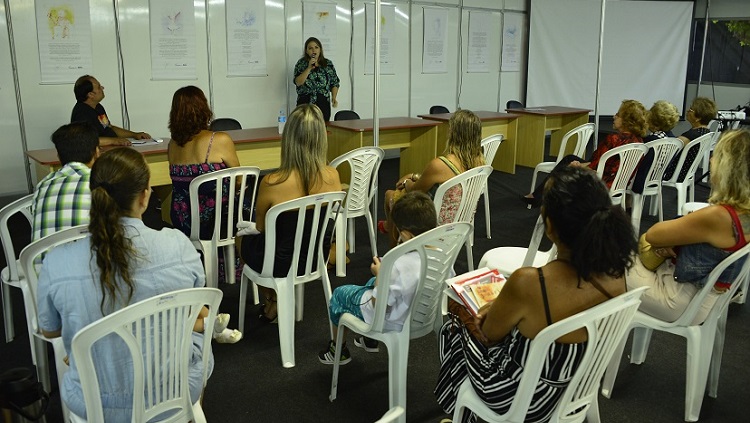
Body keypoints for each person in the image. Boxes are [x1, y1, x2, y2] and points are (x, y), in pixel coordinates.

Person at [35, 148, 233, 422]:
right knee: (197, 326)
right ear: (144, 196)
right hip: (175, 390)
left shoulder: (57, 262)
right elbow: (197, 309)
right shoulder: (178, 246)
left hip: (95, 402)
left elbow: (50, 329)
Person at [435, 165, 637, 423]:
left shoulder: (530, 283)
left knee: (454, 323)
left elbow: (489, 335)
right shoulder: (617, 273)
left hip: (519, 397)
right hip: (574, 387)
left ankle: (466, 417)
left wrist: (485, 311)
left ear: (550, 227)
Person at [627, 129, 750, 324]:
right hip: (701, 300)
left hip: (677, 300)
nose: (710, 161)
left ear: (729, 167)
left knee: (600, 261)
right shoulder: (742, 213)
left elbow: (653, 235)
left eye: (716, 156)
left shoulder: (719, 216)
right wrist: (680, 248)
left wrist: (675, 244)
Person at [236, 104, 341, 323]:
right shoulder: (333, 176)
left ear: (288, 139)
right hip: (313, 257)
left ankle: (272, 297)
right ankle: (274, 299)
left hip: (278, 262)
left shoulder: (273, 182)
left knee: (240, 238)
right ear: (321, 137)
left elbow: (261, 227)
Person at [318, 191, 438, 365]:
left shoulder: (397, 264)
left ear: (404, 234)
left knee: (339, 295)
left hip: (391, 319)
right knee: (370, 283)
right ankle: (369, 341)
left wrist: (381, 274)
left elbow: (378, 302)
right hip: (421, 313)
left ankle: (338, 350)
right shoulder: (442, 253)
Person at [381, 109, 484, 245]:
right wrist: (414, 176)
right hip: (461, 221)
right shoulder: (480, 163)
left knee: (390, 195)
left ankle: (394, 252)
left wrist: (406, 181)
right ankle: (389, 226)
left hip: (433, 222)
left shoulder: (441, 164)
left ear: (453, 133)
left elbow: (415, 191)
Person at [523, 99, 647, 207]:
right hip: (618, 184)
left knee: (566, 166)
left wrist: (577, 166)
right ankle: (538, 196)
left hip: (599, 183)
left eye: (618, 115)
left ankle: (542, 199)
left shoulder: (613, 140)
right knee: (570, 159)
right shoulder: (639, 142)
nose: (614, 117)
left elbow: (596, 168)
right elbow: (604, 164)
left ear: (627, 121)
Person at [168, 85, 240, 240]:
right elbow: (239, 180)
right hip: (215, 221)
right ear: (203, 108)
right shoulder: (219, 139)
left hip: (183, 219)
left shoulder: (172, 145)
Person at [32, 122, 99, 241]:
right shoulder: (100, 182)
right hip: (85, 258)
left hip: (38, 258)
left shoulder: (43, 184)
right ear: (96, 152)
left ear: (58, 155)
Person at [71, 75, 151, 146]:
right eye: (99, 87)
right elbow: (86, 140)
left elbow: (109, 127)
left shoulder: (98, 107)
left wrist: (134, 135)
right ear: (91, 94)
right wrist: (114, 141)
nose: (102, 88)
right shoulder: (81, 113)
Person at [661, 96, 718, 182]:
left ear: (698, 118)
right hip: (686, 173)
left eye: (691, 109)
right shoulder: (705, 132)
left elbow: (669, 149)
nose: (688, 111)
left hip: (674, 173)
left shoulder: (691, 135)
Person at [632, 100, 681, 194]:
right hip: (658, 179)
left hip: (641, 182)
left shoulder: (651, 141)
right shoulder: (672, 139)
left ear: (653, 120)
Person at [293, 37, 340, 122]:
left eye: (316, 47)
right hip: (305, 104)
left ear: (320, 49)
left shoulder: (327, 64)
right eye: (310, 48)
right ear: (306, 51)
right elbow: (298, 82)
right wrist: (308, 68)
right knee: (304, 130)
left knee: (322, 129)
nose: (313, 50)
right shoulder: (301, 64)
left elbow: (335, 83)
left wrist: (334, 97)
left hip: (322, 104)